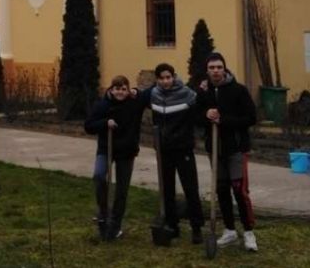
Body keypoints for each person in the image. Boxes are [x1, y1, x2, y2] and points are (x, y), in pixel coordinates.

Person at [197, 52, 259, 252]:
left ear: (225, 69)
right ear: (207, 71)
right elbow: (195, 117)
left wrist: (224, 120)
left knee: (239, 190)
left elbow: (251, 118)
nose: (215, 71)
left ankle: (249, 233)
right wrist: (205, 115)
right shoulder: (204, 92)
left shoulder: (238, 90)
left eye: (219, 67)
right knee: (222, 189)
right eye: (212, 68)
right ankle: (230, 231)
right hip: (215, 150)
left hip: (236, 149)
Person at [143, 63, 204, 244]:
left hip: (183, 148)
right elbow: (138, 97)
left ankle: (196, 228)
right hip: (164, 150)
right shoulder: (154, 95)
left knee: (190, 188)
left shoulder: (187, 94)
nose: (165, 81)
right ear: (157, 80)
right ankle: (172, 226)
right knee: (167, 189)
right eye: (161, 78)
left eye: (168, 77)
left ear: (174, 76)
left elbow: (199, 111)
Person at [84, 75, 147, 241]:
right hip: (106, 149)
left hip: (127, 151)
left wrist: (137, 92)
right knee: (99, 175)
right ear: (111, 89)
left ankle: (116, 224)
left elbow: (148, 94)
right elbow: (88, 126)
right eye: (117, 89)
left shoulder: (134, 103)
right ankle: (103, 212)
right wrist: (105, 123)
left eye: (124, 89)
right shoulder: (103, 105)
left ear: (128, 90)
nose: (120, 92)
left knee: (121, 189)